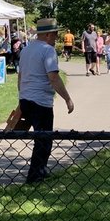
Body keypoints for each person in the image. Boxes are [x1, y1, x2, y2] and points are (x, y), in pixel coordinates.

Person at [18, 17, 74, 184]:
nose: (57, 37)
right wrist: (68, 99)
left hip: (26, 99)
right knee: (44, 140)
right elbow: (54, 77)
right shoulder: (48, 50)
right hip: (40, 102)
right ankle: (35, 175)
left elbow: (20, 76)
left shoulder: (26, 49)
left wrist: (21, 95)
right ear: (49, 34)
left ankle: (40, 170)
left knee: (40, 139)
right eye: (56, 34)